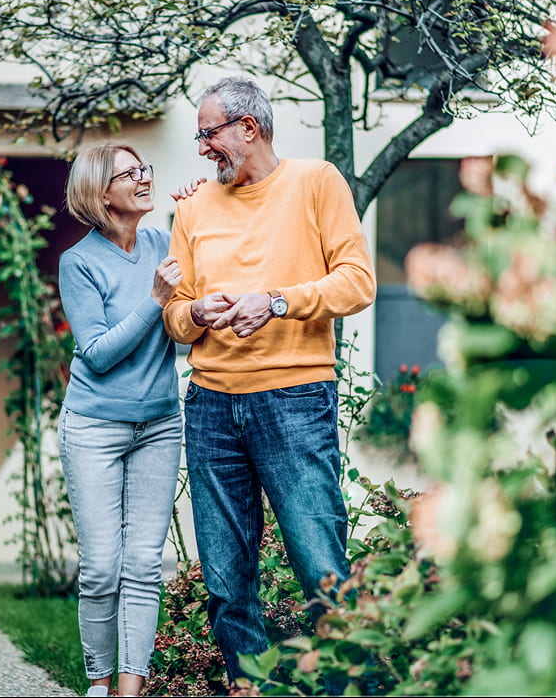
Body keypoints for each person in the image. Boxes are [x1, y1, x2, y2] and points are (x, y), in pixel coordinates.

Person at [162, 76, 377, 687]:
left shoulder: (317, 182)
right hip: (211, 407)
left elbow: (358, 281)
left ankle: (348, 689)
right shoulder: (194, 206)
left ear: (248, 128)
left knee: (321, 568)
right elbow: (175, 313)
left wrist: (277, 302)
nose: (202, 148)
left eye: (208, 134)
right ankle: (250, 688)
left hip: (294, 402)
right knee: (226, 583)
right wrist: (195, 312)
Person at [58, 140, 202, 698]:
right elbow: (97, 353)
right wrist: (154, 298)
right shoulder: (79, 263)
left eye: (144, 168)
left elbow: (195, 302)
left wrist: (198, 209)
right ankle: (99, 684)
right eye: (129, 174)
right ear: (101, 194)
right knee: (101, 566)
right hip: (94, 427)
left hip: (159, 424)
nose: (144, 178)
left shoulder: (163, 243)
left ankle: (130, 691)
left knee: (143, 564)